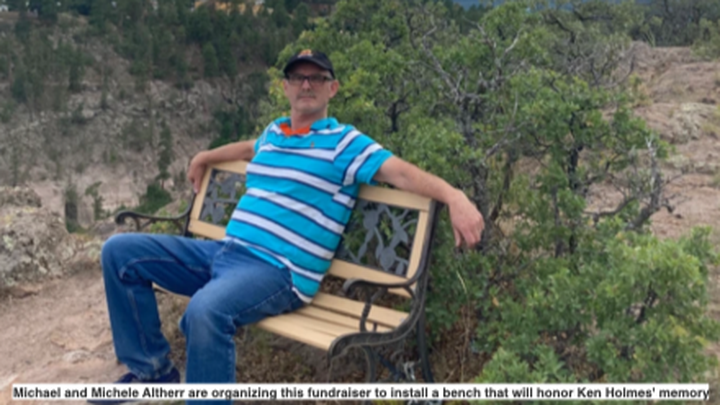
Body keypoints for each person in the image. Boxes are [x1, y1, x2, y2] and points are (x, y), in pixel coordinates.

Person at [93, 50, 484, 405]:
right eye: (298, 77)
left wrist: (454, 196)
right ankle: (152, 371)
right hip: (224, 253)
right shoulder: (274, 133)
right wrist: (204, 156)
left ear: (332, 88)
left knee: (206, 311)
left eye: (316, 78)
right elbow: (247, 148)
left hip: (277, 272)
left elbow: (401, 173)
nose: (306, 85)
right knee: (119, 253)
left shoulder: (344, 143)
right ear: (286, 87)